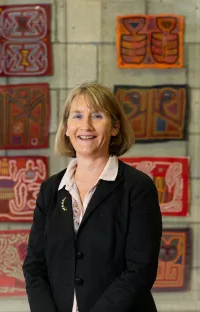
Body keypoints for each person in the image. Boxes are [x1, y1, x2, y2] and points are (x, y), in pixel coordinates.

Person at [22, 82, 163, 312]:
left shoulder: (137, 188)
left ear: (115, 127)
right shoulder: (50, 190)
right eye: (77, 116)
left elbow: (140, 270)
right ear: (67, 128)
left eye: (97, 115)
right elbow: (35, 267)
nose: (85, 125)